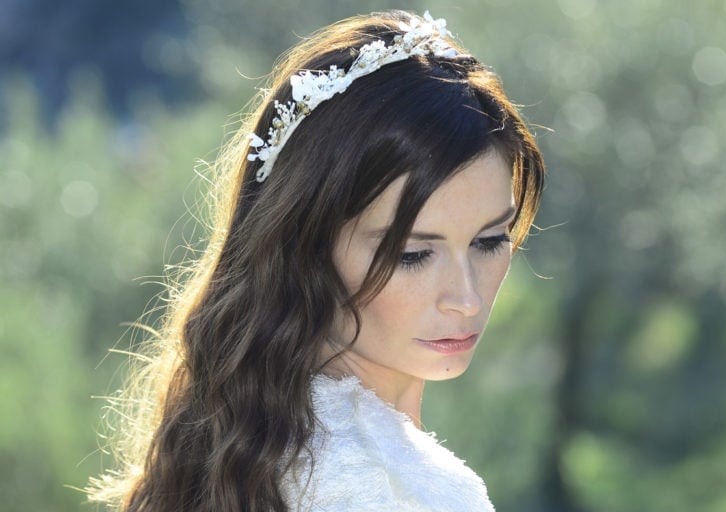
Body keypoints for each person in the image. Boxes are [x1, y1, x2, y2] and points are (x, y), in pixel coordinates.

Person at [88, 9, 544, 511]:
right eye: (413, 254)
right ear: (306, 248)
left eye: (489, 242)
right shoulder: (382, 492)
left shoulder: (248, 447)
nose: (467, 298)